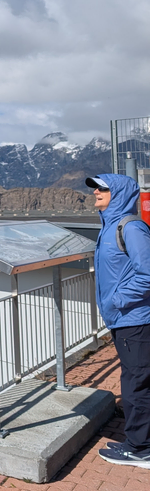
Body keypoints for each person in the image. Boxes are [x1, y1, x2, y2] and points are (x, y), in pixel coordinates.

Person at [88, 174, 150, 468]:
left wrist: (117, 300)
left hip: (134, 319)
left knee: (136, 384)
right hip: (125, 319)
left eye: (102, 188)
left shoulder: (132, 228)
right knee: (138, 379)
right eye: (95, 188)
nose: (96, 193)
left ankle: (140, 448)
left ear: (120, 193)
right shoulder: (110, 226)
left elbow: (148, 273)